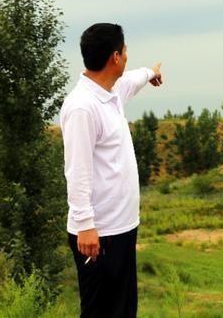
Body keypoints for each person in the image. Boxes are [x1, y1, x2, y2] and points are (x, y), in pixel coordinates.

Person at [59, 22, 162, 317]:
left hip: (122, 227)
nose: (128, 56)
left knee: (123, 310)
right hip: (98, 234)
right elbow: (76, 171)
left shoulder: (111, 93)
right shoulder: (82, 107)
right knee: (100, 312)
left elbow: (133, 79)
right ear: (115, 57)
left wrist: (151, 72)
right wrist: (85, 226)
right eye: (125, 51)